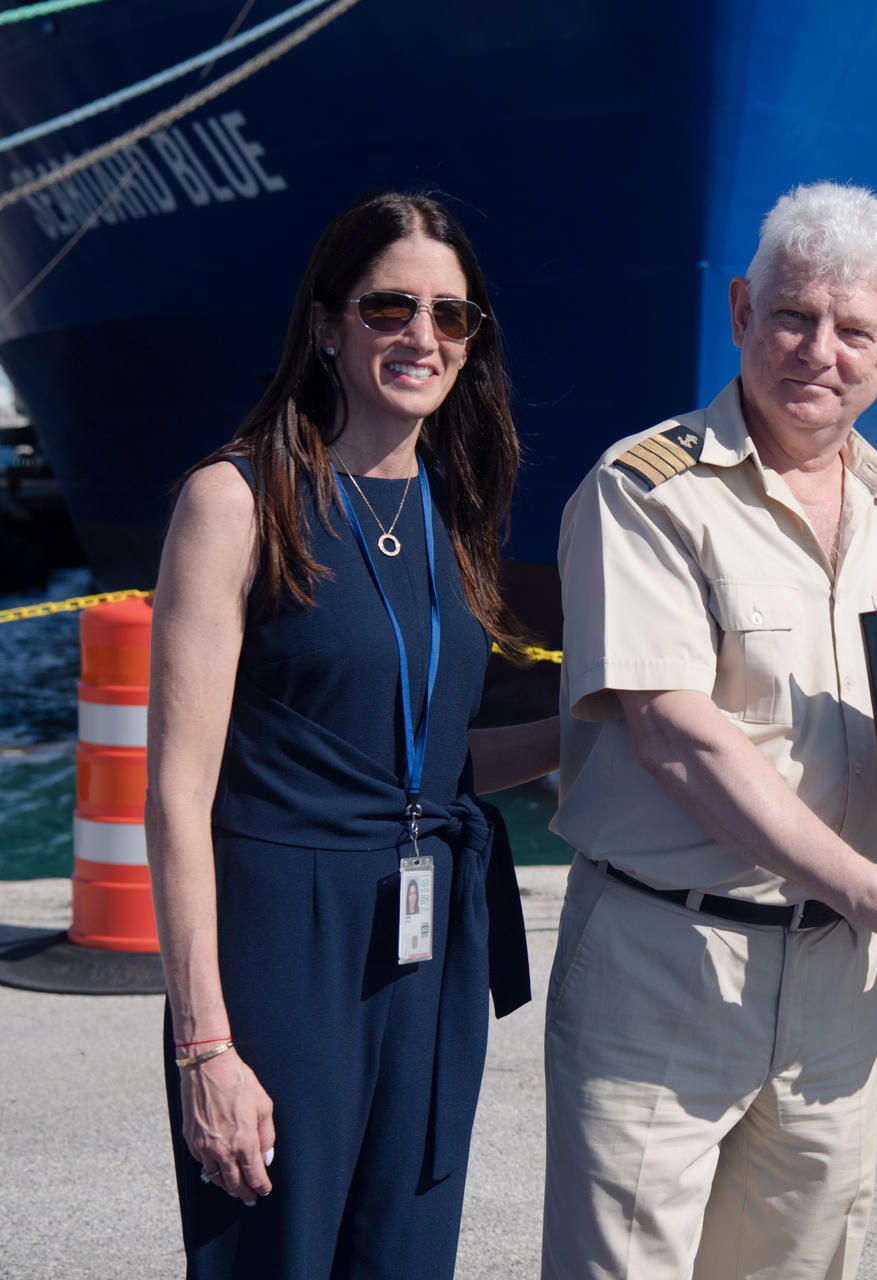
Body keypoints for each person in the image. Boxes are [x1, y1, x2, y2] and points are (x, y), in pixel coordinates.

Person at [542, 181, 877, 1280]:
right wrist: (865, 884)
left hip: (838, 982)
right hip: (666, 959)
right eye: (795, 314)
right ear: (742, 309)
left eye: (856, 330)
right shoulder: (646, 490)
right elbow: (676, 735)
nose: (819, 349)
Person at [146, 190, 560, 1279]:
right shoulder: (237, 501)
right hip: (286, 945)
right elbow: (178, 795)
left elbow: (425, 762)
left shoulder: (453, 507)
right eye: (390, 306)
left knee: (407, 1258)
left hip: (427, 952)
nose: (422, 335)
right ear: (328, 323)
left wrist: (579, 737)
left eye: (452, 315)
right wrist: (205, 1045)